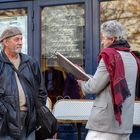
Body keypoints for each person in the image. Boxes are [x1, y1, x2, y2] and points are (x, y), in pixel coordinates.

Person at [77, 20, 140, 140]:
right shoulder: (133, 58)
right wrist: (86, 75)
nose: (102, 41)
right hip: (125, 123)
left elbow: (94, 87)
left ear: (113, 39)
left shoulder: (109, 56)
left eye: (104, 38)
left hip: (106, 123)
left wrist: (82, 83)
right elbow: (109, 81)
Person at [0, 26, 47, 140]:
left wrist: (36, 112)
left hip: (29, 120)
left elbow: (41, 91)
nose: (20, 43)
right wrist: (3, 112)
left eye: (21, 39)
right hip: (5, 121)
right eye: (16, 39)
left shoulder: (30, 62)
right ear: (5, 42)